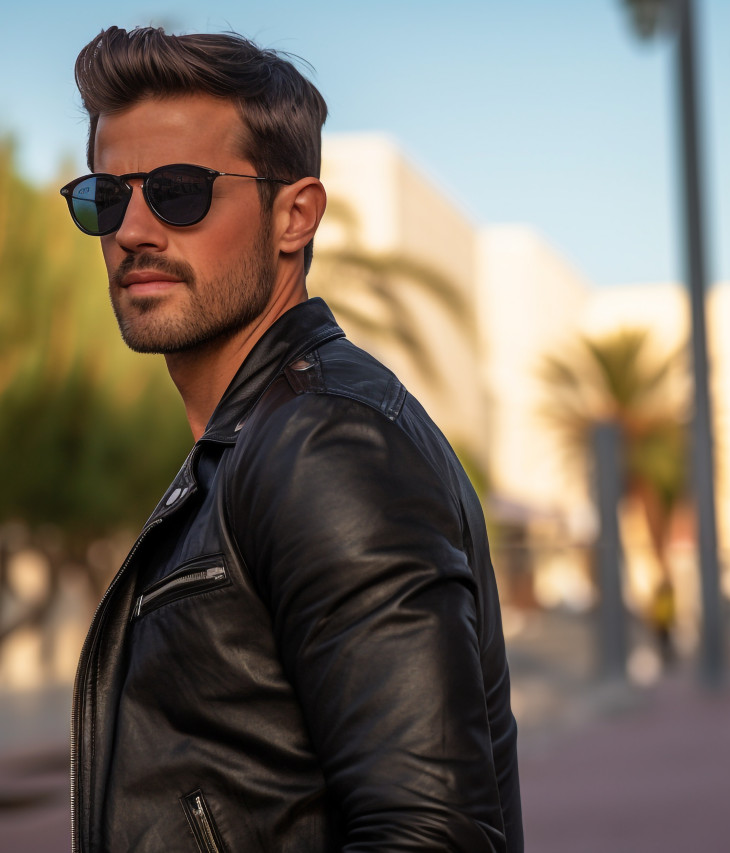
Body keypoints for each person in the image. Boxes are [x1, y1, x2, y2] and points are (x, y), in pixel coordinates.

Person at [60, 26, 522, 853]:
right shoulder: (250, 446)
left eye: (179, 191)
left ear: (294, 216)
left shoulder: (329, 449)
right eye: (106, 195)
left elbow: (428, 832)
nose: (131, 230)